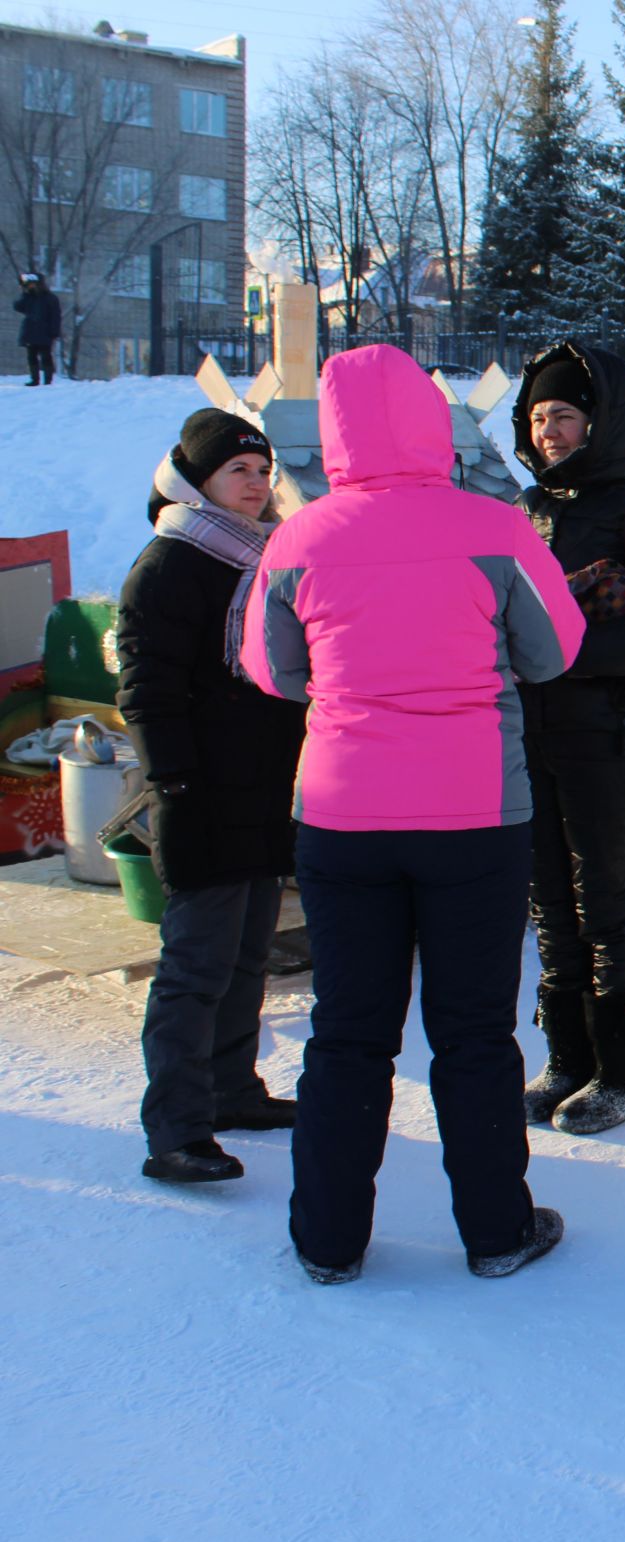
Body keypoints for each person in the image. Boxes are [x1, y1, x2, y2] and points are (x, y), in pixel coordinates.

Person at [241, 344, 584, 1284]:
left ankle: (328, 1239)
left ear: (335, 428)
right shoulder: (496, 526)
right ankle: (496, 1231)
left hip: (345, 816)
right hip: (473, 814)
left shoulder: (299, 538)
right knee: (474, 1030)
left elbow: (273, 672)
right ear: (433, 424)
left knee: (349, 1030)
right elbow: (554, 651)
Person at [509, 342, 625, 1134]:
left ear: (600, 420)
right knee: (548, 902)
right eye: (537, 417)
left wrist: (569, 648)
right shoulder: (520, 511)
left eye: (562, 414)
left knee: (607, 900)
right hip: (529, 731)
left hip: (613, 733)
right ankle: (569, 1060)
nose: (549, 429)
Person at [116, 409, 308, 1184]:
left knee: (245, 957)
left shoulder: (262, 557)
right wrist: (176, 784)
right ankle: (176, 1128)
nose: (257, 486)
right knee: (195, 966)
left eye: (263, 472)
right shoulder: (172, 562)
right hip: (199, 792)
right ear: (199, 481)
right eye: (239, 472)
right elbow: (146, 690)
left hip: (261, 789)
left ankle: (232, 1090)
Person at [14, 272, 61, 387]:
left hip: (45, 332)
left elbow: (55, 316)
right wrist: (25, 293)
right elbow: (18, 307)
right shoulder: (28, 297)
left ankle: (48, 381)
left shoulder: (50, 298)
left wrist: (54, 332)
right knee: (31, 357)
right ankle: (35, 379)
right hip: (31, 331)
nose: (31, 286)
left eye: (32, 284)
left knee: (46, 356)